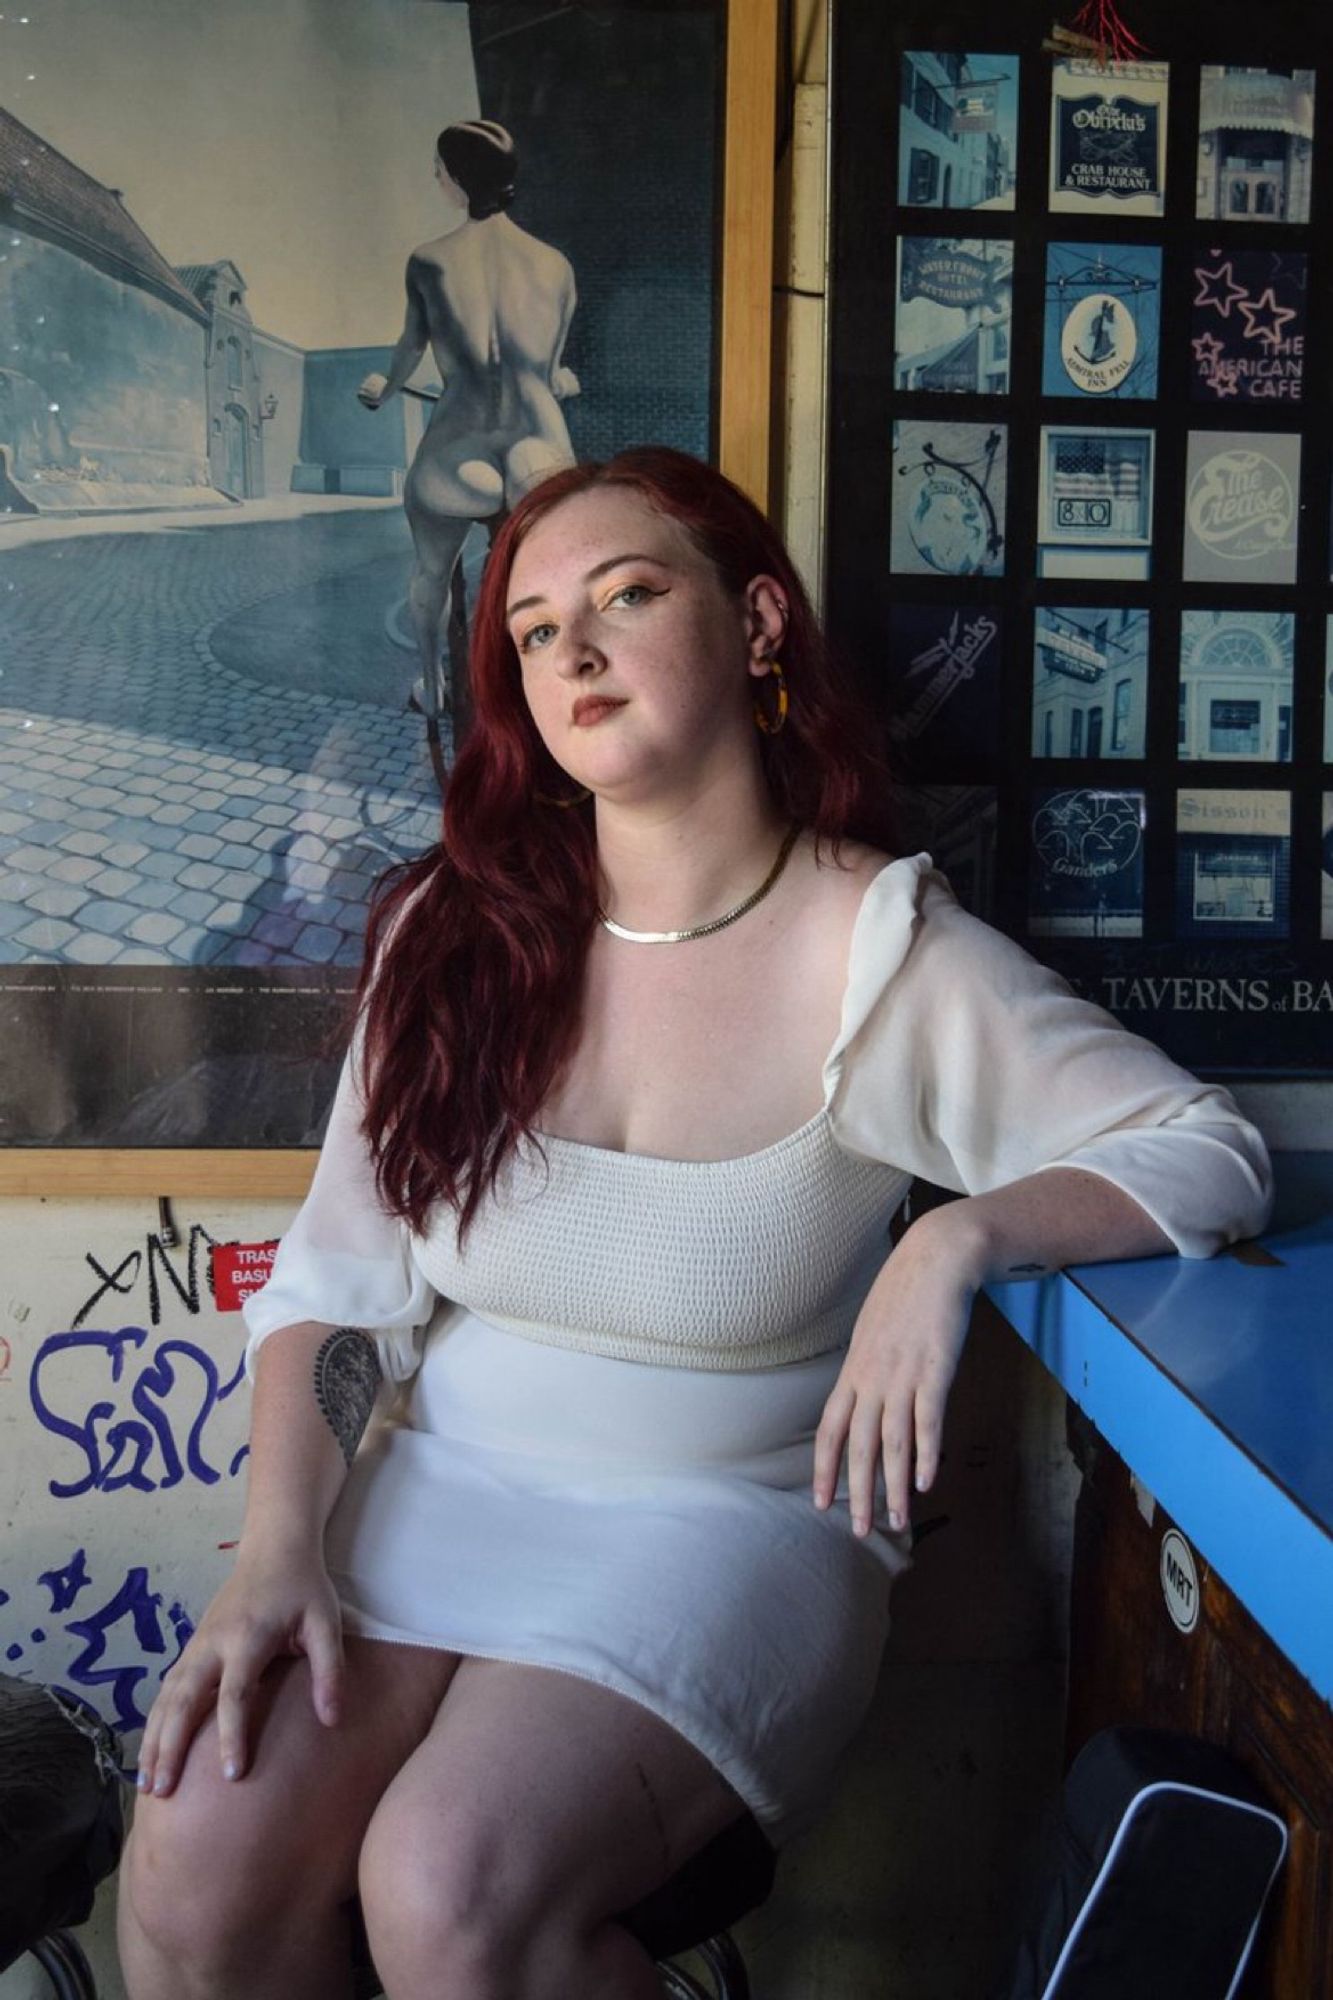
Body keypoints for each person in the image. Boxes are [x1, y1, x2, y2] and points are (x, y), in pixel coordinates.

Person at [117, 448, 1272, 2000]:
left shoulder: (882, 954)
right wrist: (278, 1554)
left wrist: (955, 1241)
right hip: (442, 1482)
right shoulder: (449, 939)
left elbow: (1208, 1151)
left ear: (759, 626)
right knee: (196, 1859)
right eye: (531, 631)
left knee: (448, 1887)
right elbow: (339, 1293)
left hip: (726, 1519)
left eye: (626, 594)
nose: (572, 652)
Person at [358, 118, 579, 728]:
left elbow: (409, 350)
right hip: (540, 447)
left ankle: (433, 686)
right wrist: (557, 379)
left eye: (438, 168)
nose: (435, 177)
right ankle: (544, 693)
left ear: (456, 180)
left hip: (460, 448)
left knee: (432, 571)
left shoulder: (429, 261)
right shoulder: (555, 265)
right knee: (557, 583)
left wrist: (385, 389)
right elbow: (551, 364)